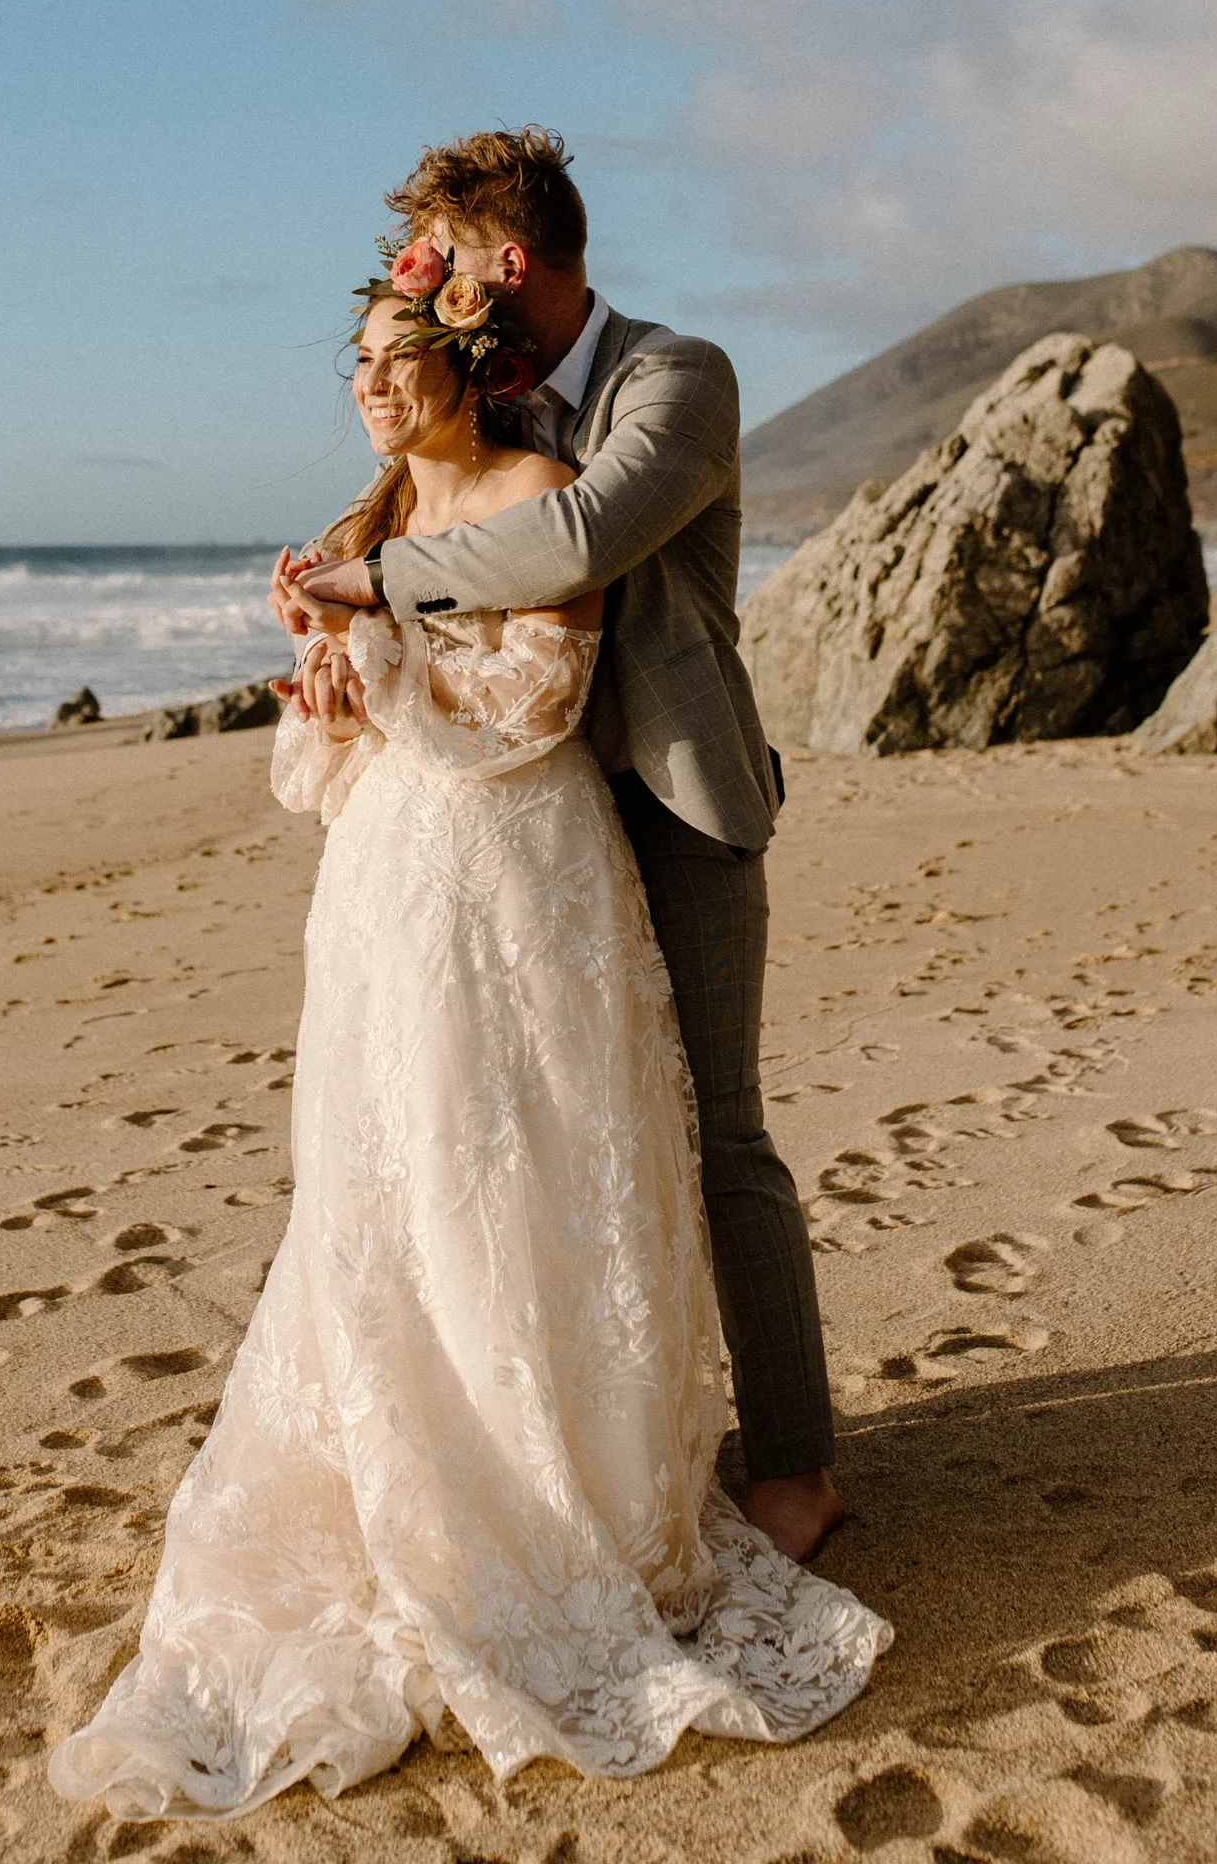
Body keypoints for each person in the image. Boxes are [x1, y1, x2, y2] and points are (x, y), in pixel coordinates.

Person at [49, 230, 889, 1826]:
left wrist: (373, 636)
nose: (370, 388)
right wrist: (331, 692)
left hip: (527, 859)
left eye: (395, 356)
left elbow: (532, 707)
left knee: (578, 1157)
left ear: (475, 346)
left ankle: (739, 1469)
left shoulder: (569, 463)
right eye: (353, 365)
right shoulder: (361, 516)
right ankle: (428, 1462)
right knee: (396, 1170)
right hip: (387, 888)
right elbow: (337, 747)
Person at [286, 128, 841, 1564]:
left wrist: (377, 581)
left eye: (451, 265)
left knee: (721, 1133)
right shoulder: (499, 406)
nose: (441, 293)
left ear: (506, 263)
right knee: (549, 1142)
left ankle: (794, 1467)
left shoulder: (677, 376)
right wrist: (342, 639)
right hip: (521, 836)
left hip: (668, 804)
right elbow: (444, 513)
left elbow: (579, 539)